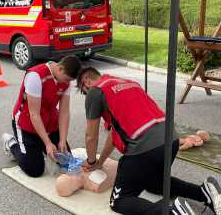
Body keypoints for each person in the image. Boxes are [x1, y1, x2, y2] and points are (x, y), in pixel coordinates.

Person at [76, 66, 221, 215]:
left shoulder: (95, 91)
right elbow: (114, 134)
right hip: (171, 139)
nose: (85, 94)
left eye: (82, 91)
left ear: (85, 81)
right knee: (155, 184)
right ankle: (203, 192)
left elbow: (91, 136)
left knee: (119, 201)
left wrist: (91, 162)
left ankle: (173, 213)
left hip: (145, 148)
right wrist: (100, 161)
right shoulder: (127, 83)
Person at [2, 55, 82, 178]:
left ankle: (38, 146)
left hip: (48, 123)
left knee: (65, 162)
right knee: (35, 170)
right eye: (66, 79)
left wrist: (62, 139)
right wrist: (48, 143)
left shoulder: (66, 80)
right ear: (60, 68)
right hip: (27, 123)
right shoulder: (36, 76)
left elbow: (64, 111)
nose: (67, 83)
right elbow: (34, 114)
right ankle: (12, 143)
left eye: (70, 81)